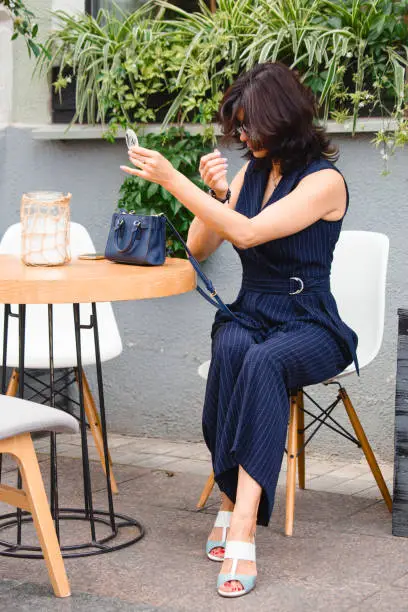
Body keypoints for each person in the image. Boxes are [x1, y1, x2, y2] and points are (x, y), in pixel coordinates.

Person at [121, 61, 358, 599]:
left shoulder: (323, 181)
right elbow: (203, 246)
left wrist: (173, 180)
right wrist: (215, 194)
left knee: (264, 362)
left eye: (252, 125)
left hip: (310, 322)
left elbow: (249, 235)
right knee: (231, 348)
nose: (244, 136)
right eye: (240, 126)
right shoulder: (251, 173)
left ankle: (242, 524)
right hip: (251, 312)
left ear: (285, 119)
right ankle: (229, 500)